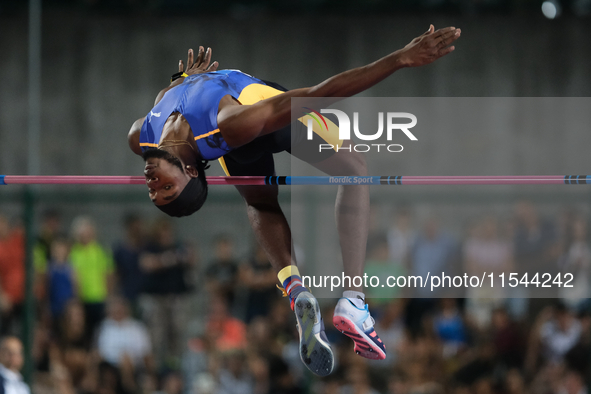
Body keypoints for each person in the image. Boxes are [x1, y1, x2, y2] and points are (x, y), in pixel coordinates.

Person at [127, 25, 461, 376]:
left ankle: (295, 288)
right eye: (167, 189)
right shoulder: (228, 124)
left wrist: (184, 79)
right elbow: (319, 93)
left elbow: (170, 95)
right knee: (354, 168)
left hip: (235, 135)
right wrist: (400, 59)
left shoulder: (141, 135)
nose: (153, 187)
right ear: (191, 173)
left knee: (260, 203)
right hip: (261, 117)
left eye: (155, 193)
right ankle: (353, 299)